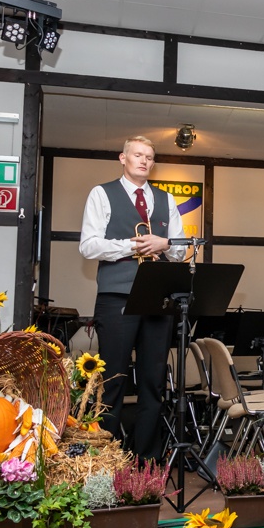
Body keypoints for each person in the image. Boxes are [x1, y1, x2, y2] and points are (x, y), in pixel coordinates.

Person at [79, 135, 185, 461]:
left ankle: (147, 461)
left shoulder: (166, 199)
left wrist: (165, 244)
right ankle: (105, 460)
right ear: (123, 158)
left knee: (154, 382)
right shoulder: (101, 193)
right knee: (113, 379)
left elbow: (179, 250)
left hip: (157, 298)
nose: (144, 161)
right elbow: (88, 246)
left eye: (149, 157)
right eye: (138, 155)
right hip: (117, 297)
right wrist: (133, 245)